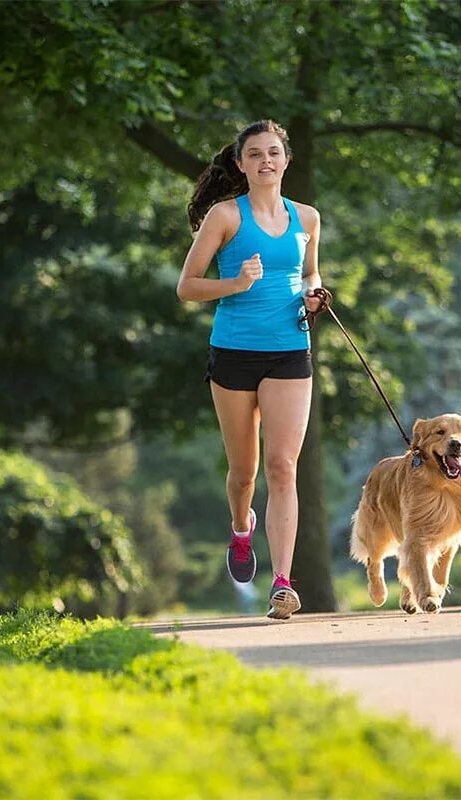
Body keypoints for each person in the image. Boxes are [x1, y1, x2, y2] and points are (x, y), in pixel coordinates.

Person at [177, 120, 325, 620]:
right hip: (235, 354)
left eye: (274, 152)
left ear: (286, 160)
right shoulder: (224, 217)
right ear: (240, 164)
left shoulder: (307, 218)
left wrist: (315, 292)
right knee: (245, 473)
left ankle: (282, 583)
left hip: (290, 350)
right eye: (255, 154)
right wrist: (235, 284)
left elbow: (310, 272)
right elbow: (188, 286)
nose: (266, 161)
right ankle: (242, 531)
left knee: (283, 466)